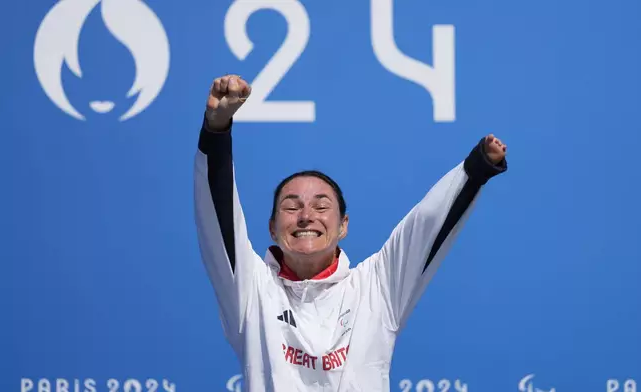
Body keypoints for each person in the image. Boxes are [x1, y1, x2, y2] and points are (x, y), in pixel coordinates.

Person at [194, 74, 508, 391]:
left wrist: (474, 169)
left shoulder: (376, 286)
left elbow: (426, 227)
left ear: (343, 225)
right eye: (291, 207)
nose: (305, 217)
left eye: (320, 207)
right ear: (273, 228)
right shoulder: (251, 291)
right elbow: (217, 218)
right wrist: (216, 130)